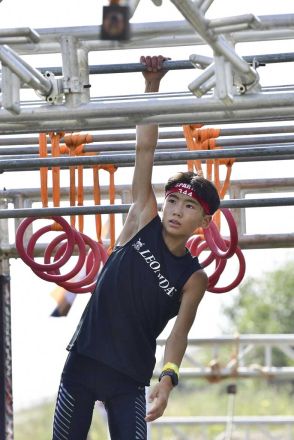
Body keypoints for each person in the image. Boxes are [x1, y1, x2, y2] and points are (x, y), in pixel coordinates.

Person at [52, 55, 220, 440]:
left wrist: (167, 380)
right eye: (173, 200)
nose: (177, 211)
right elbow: (145, 149)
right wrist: (151, 86)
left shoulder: (194, 276)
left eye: (189, 206)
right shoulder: (142, 220)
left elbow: (180, 332)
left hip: (129, 379)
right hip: (82, 367)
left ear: (204, 221)